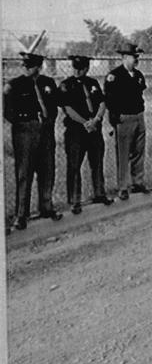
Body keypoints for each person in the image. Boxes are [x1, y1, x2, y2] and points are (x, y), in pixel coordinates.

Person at [4, 50, 61, 233]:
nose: (28, 69)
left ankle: (47, 206)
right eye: (26, 66)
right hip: (25, 131)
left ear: (39, 66)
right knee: (24, 172)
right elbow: (7, 112)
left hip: (45, 129)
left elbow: (54, 106)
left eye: (32, 66)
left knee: (47, 170)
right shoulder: (15, 85)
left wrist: (48, 121)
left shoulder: (48, 83)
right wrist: (23, 124)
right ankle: (22, 215)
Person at [60, 54, 114, 215]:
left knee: (97, 162)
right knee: (74, 165)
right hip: (76, 130)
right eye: (75, 68)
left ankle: (99, 193)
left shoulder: (93, 83)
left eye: (81, 69)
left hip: (94, 128)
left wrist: (96, 120)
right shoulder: (66, 85)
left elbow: (102, 103)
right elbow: (67, 108)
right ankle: (75, 200)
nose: (77, 71)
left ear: (87, 68)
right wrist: (85, 123)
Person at [104, 42, 152, 201]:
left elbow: (140, 94)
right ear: (124, 57)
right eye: (133, 56)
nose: (136, 59)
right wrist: (115, 119)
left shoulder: (138, 75)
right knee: (123, 154)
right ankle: (123, 187)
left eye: (137, 57)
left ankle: (138, 182)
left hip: (138, 116)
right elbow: (110, 100)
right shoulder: (114, 76)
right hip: (124, 118)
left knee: (139, 151)